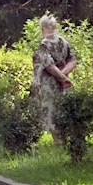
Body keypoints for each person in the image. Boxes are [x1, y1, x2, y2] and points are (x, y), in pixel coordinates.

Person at [31, 14, 76, 143]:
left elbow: (49, 66)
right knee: (61, 112)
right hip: (63, 86)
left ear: (42, 28)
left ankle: (59, 143)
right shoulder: (64, 41)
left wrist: (61, 77)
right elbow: (73, 60)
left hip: (47, 86)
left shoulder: (43, 44)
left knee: (50, 115)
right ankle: (63, 142)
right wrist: (64, 76)